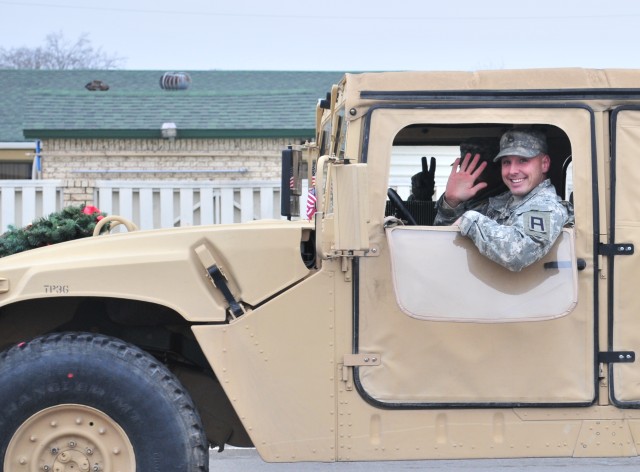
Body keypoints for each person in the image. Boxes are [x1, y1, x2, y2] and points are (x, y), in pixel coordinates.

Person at [434, 128, 573, 272]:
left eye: (523, 160)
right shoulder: (501, 202)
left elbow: (520, 253)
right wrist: (451, 202)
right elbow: (445, 241)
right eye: (506, 162)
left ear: (544, 163)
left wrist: (470, 220)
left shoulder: (546, 206)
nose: (512, 171)